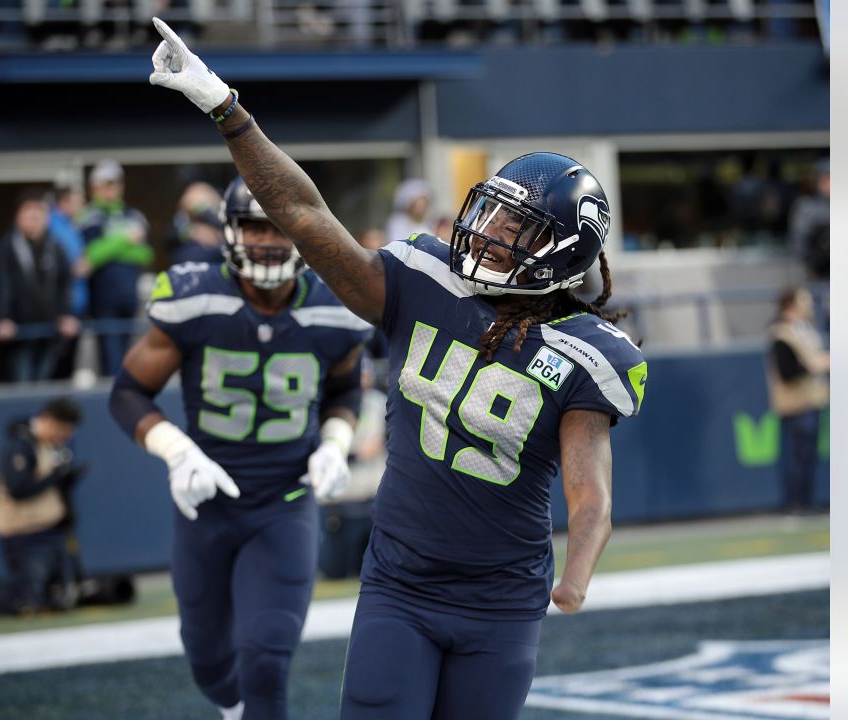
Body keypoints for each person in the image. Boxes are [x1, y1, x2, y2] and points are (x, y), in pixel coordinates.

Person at [145, 20, 647, 719]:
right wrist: (225, 107)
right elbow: (302, 212)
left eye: (516, 230)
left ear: (564, 252)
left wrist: (578, 573)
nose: (491, 235)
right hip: (401, 582)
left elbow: (590, 494)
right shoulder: (419, 279)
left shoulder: (589, 352)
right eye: (493, 216)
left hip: (501, 601)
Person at [107, 174, 370, 720]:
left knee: (266, 659)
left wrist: (334, 442)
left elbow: (344, 388)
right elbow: (128, 392)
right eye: (255, 227)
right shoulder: (192, 296)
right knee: (208, 660)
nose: (270, 240)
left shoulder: (334, 305)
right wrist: (177, 451)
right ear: (229, 232)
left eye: (281, 226)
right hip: (206, 501)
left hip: (286, 502)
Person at [0, 397, 87, 618]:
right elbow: (18, 488)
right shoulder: (20, 444)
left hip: (50, 529)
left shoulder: (50, 446)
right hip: (24, 531)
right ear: (49, 421)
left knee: (57, 596)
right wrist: (54, 476)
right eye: (62, 430)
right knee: (29, 596)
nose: (65, 437)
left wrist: (66, 479)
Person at [0, 190, 82, 383]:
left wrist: (67, 314)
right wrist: (2, 318)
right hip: (18, 335)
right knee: (22, 384)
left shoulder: (56, 247)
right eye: (28, 211)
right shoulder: (7, 248)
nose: (33, 217)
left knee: (47, 384)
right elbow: (1, 286)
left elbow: (65, 284)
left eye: (38, 211)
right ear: (18, 215)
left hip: (50, 332)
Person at [80, 159, 154, 375]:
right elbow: (90, 255)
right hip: (102, 299)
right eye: (106, 183)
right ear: (94, 187)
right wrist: (124, 240)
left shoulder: (134, 215)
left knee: (128, 360)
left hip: (129, 298)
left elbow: (145, 254)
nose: (111, 189)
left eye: (115, 183)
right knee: (109, 360)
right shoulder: (89, 217)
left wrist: (110, 248)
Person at [766, 287, 829, 514]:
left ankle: (806, 502)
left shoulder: (806, 331)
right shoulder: (781, 334)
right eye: (803, 302)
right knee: (796, 457)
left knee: (809, 456)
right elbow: (787, 371)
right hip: (795, 405)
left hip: (812, 402)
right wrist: (813, 366)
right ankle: (794, 503)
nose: (809, 306)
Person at [50, 185, 91, 380]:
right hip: (62, 311)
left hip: (75, 306)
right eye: (79, 202)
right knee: (57, 368)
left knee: (68, 368)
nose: (82, 206)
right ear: (64, 202)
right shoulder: (54, 227)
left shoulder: (71, 227)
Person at [788, 157, 830, 280]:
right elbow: (797, 244)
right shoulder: (807, 208)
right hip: (816, 274)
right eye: (825, 179)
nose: (828, 184)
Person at [169, 180, 227, 265]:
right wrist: (191, 232)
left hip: (215, 263)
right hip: (186, 263)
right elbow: (169, 236)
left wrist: (217, 236)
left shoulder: (220, 223)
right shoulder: (182, 224)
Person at [384, 177, 432, 242]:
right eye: (417, 204)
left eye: (423, 204)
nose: (421, 208)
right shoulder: (397, 224)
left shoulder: (430, 222)